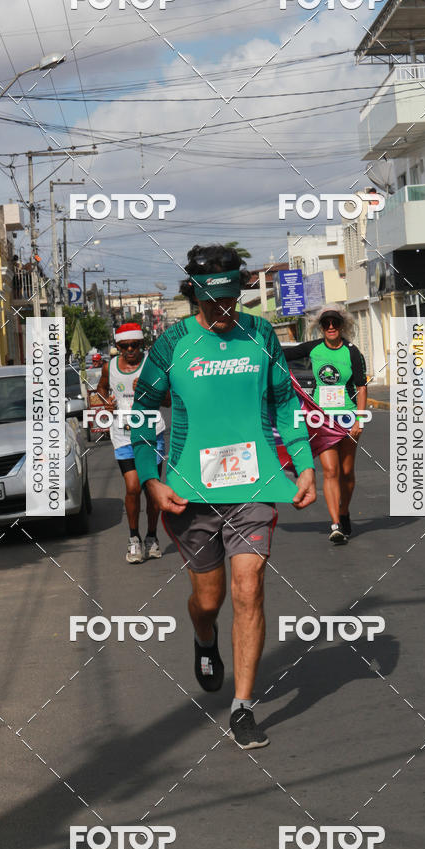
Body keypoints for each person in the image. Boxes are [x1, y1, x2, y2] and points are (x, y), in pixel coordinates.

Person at [131, 244, 316, 749]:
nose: (224, 313)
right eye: (214, 304)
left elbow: (284, 402)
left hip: (253, 489)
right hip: (190, 492)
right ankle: (204, 636)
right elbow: (144, 413)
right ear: (194, 295)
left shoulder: (260, 335)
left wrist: (303, 465)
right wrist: (151, 478)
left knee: (249, 586)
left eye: (232, 302)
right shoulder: (171, 344)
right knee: (208, 600)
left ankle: (243, 707)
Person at [282, 304, 367, 545]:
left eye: (335, 323)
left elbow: (361, 387)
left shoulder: (352, 352)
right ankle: (336, 524)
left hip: (348, 418)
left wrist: (359, 419)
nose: (331, 327)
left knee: (347, 472)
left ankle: (344, 511)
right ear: (321, 327)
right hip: (322, 418)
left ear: (342, 326)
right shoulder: (313, 348)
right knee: (330, 471)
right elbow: (280, 355)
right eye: (326, 324)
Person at [97, 323, 166, 563]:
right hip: (123, 435)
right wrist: (106, 402)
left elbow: (167, 399)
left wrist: (151, 389)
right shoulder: (110, 367)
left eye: (134, 345)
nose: (130, 350)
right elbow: (101, 388)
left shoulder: (152, 364)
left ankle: (152, 537)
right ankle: (134, 539)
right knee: (133, 487)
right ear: (117, 347)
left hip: (151, 432)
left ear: (142, 344)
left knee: (152, 490)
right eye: (124, 346)